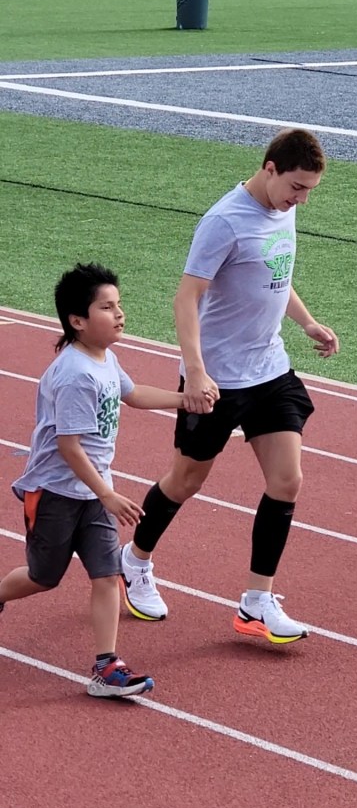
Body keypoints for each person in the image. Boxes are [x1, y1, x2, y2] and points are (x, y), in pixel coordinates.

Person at [121, 128, 339, 643]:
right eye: (297, 187)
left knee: (287, 481)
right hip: (218, 378)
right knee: (185, 480)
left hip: (270, 369)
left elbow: (274, 276)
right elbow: (186, 297)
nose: (302, 199)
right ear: (269, 168)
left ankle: (257, 602)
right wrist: (196, 371)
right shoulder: (224, 222)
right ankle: (135, 559)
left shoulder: (285, 208)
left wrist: (307, 322)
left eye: (309, 190)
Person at [0, 263, 186, 698]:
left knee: (106, 574)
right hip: (55, 493)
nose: (119, 314)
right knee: (44, 577)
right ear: (77, 320)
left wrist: (185, 400)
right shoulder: (75, 374)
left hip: (95, 491)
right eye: (106, 307)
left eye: (118, 305)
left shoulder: (105, 359)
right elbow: (68, 446)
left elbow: (133, 394)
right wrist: (109, 494)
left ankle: (107, 667)